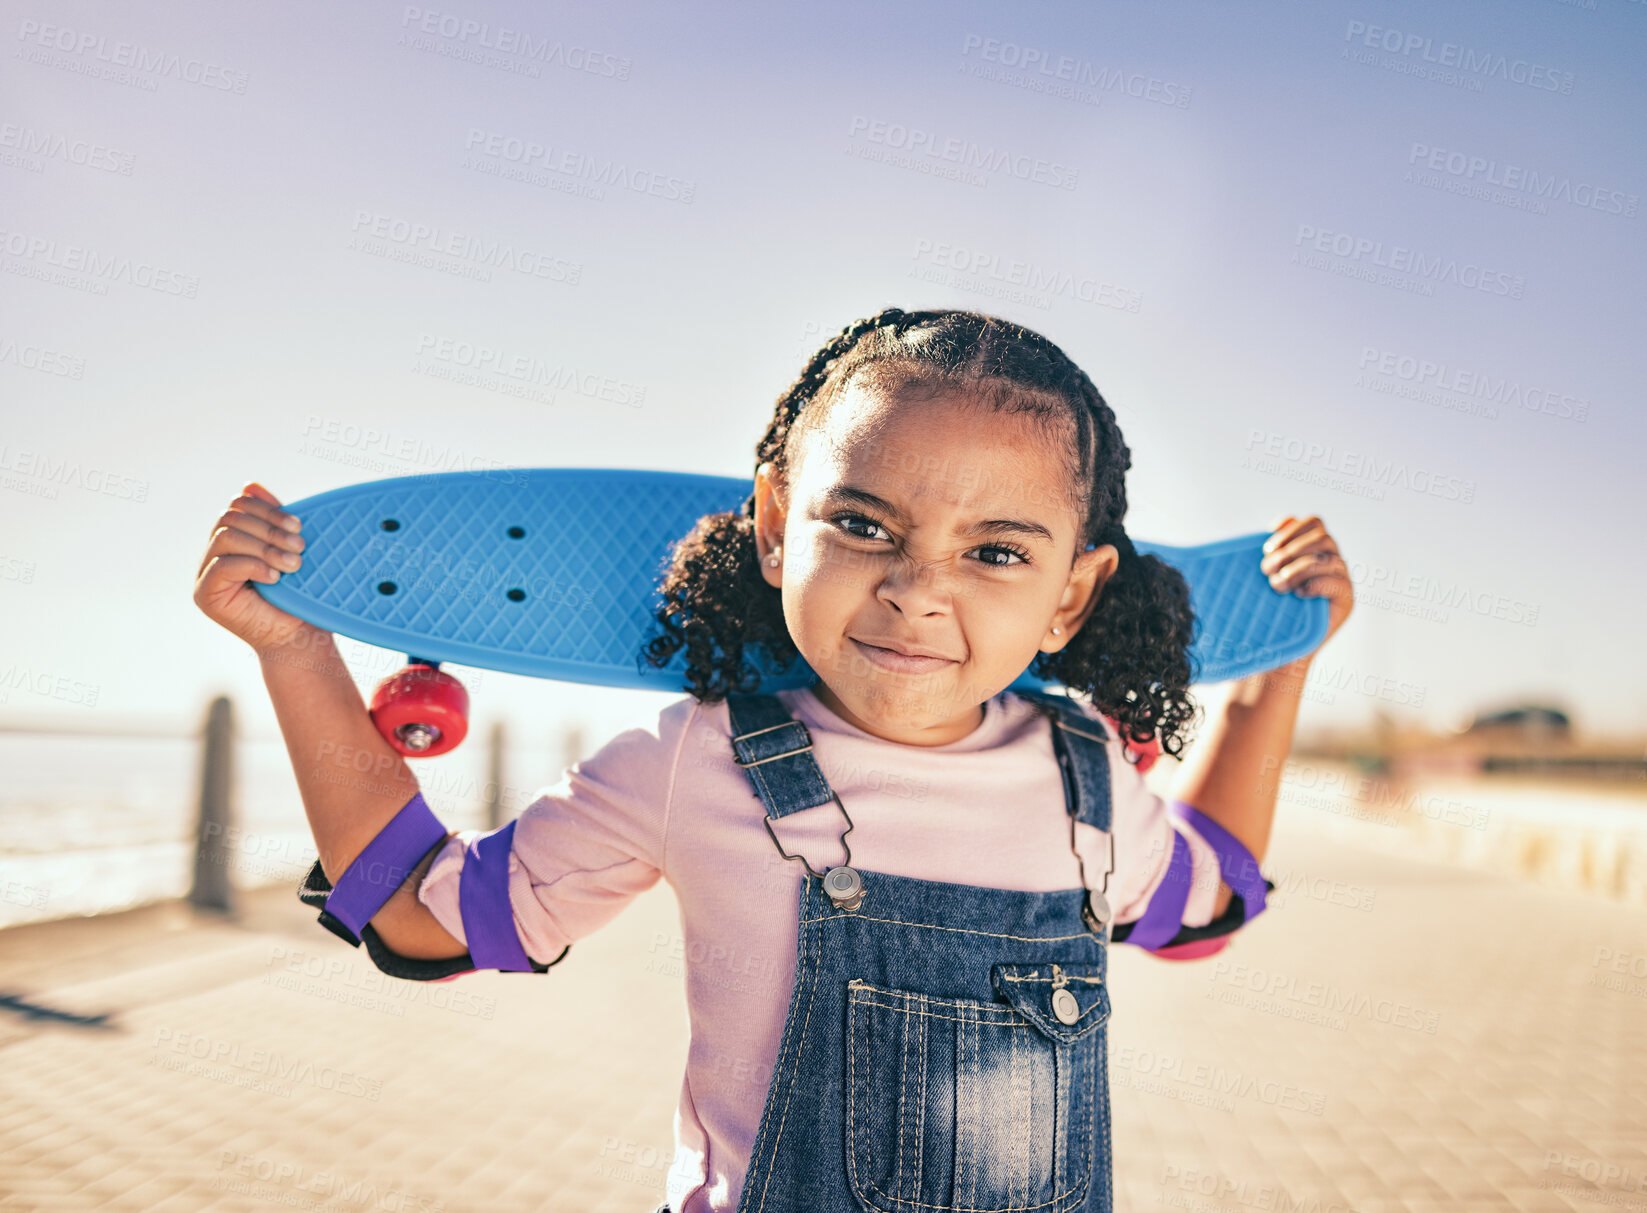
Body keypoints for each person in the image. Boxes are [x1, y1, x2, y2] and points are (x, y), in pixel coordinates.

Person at [193, 307, 1354, 1213]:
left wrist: (1281, 668)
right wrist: (298, 653)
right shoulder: (695, 760)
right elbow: (419, 915)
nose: (916, 589)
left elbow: (1208, 903)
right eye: (861, 524)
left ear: (1073, 595)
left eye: (996, 550)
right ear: (772, 522)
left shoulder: (1089, 774)